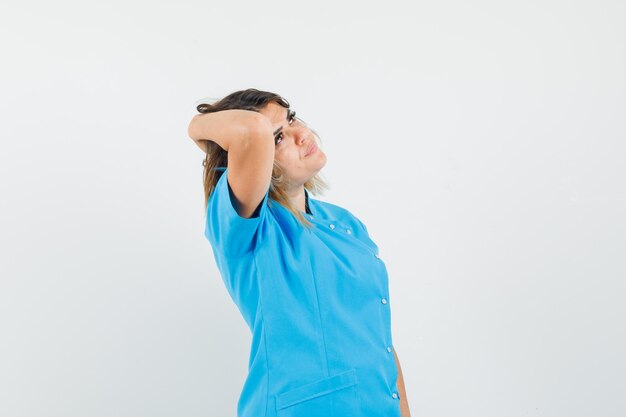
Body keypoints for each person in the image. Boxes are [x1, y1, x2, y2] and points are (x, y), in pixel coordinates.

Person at [187, 88, 411, 417]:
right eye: (278, 138)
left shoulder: (345, 223)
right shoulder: (245, 228)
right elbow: (251, 131)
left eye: (292, 118)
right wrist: (197, 125)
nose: (300, 134)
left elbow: (381, 343)